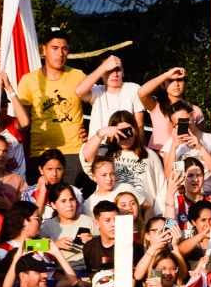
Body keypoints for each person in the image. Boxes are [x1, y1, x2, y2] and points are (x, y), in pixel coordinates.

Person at [16, 26, 88, 185]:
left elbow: (99, 103)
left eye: (64, 49)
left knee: (73, 203)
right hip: (40, 154)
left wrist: (91, 131)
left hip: (73, 152)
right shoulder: (29, 80)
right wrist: (26, 155)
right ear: (44, 50)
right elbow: (24, 123)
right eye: (55, 48)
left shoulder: (78, 76)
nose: (60, 53)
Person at [75, 54, 144, 137]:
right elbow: (79, 91)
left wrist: (141, 149)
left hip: (126, 145)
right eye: (109, 70)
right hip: (98, 146)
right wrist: (104, 67)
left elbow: (139, 127)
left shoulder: (133, 89)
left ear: (123, 72)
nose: (114, 74)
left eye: (117, 69)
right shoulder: (96, 91)